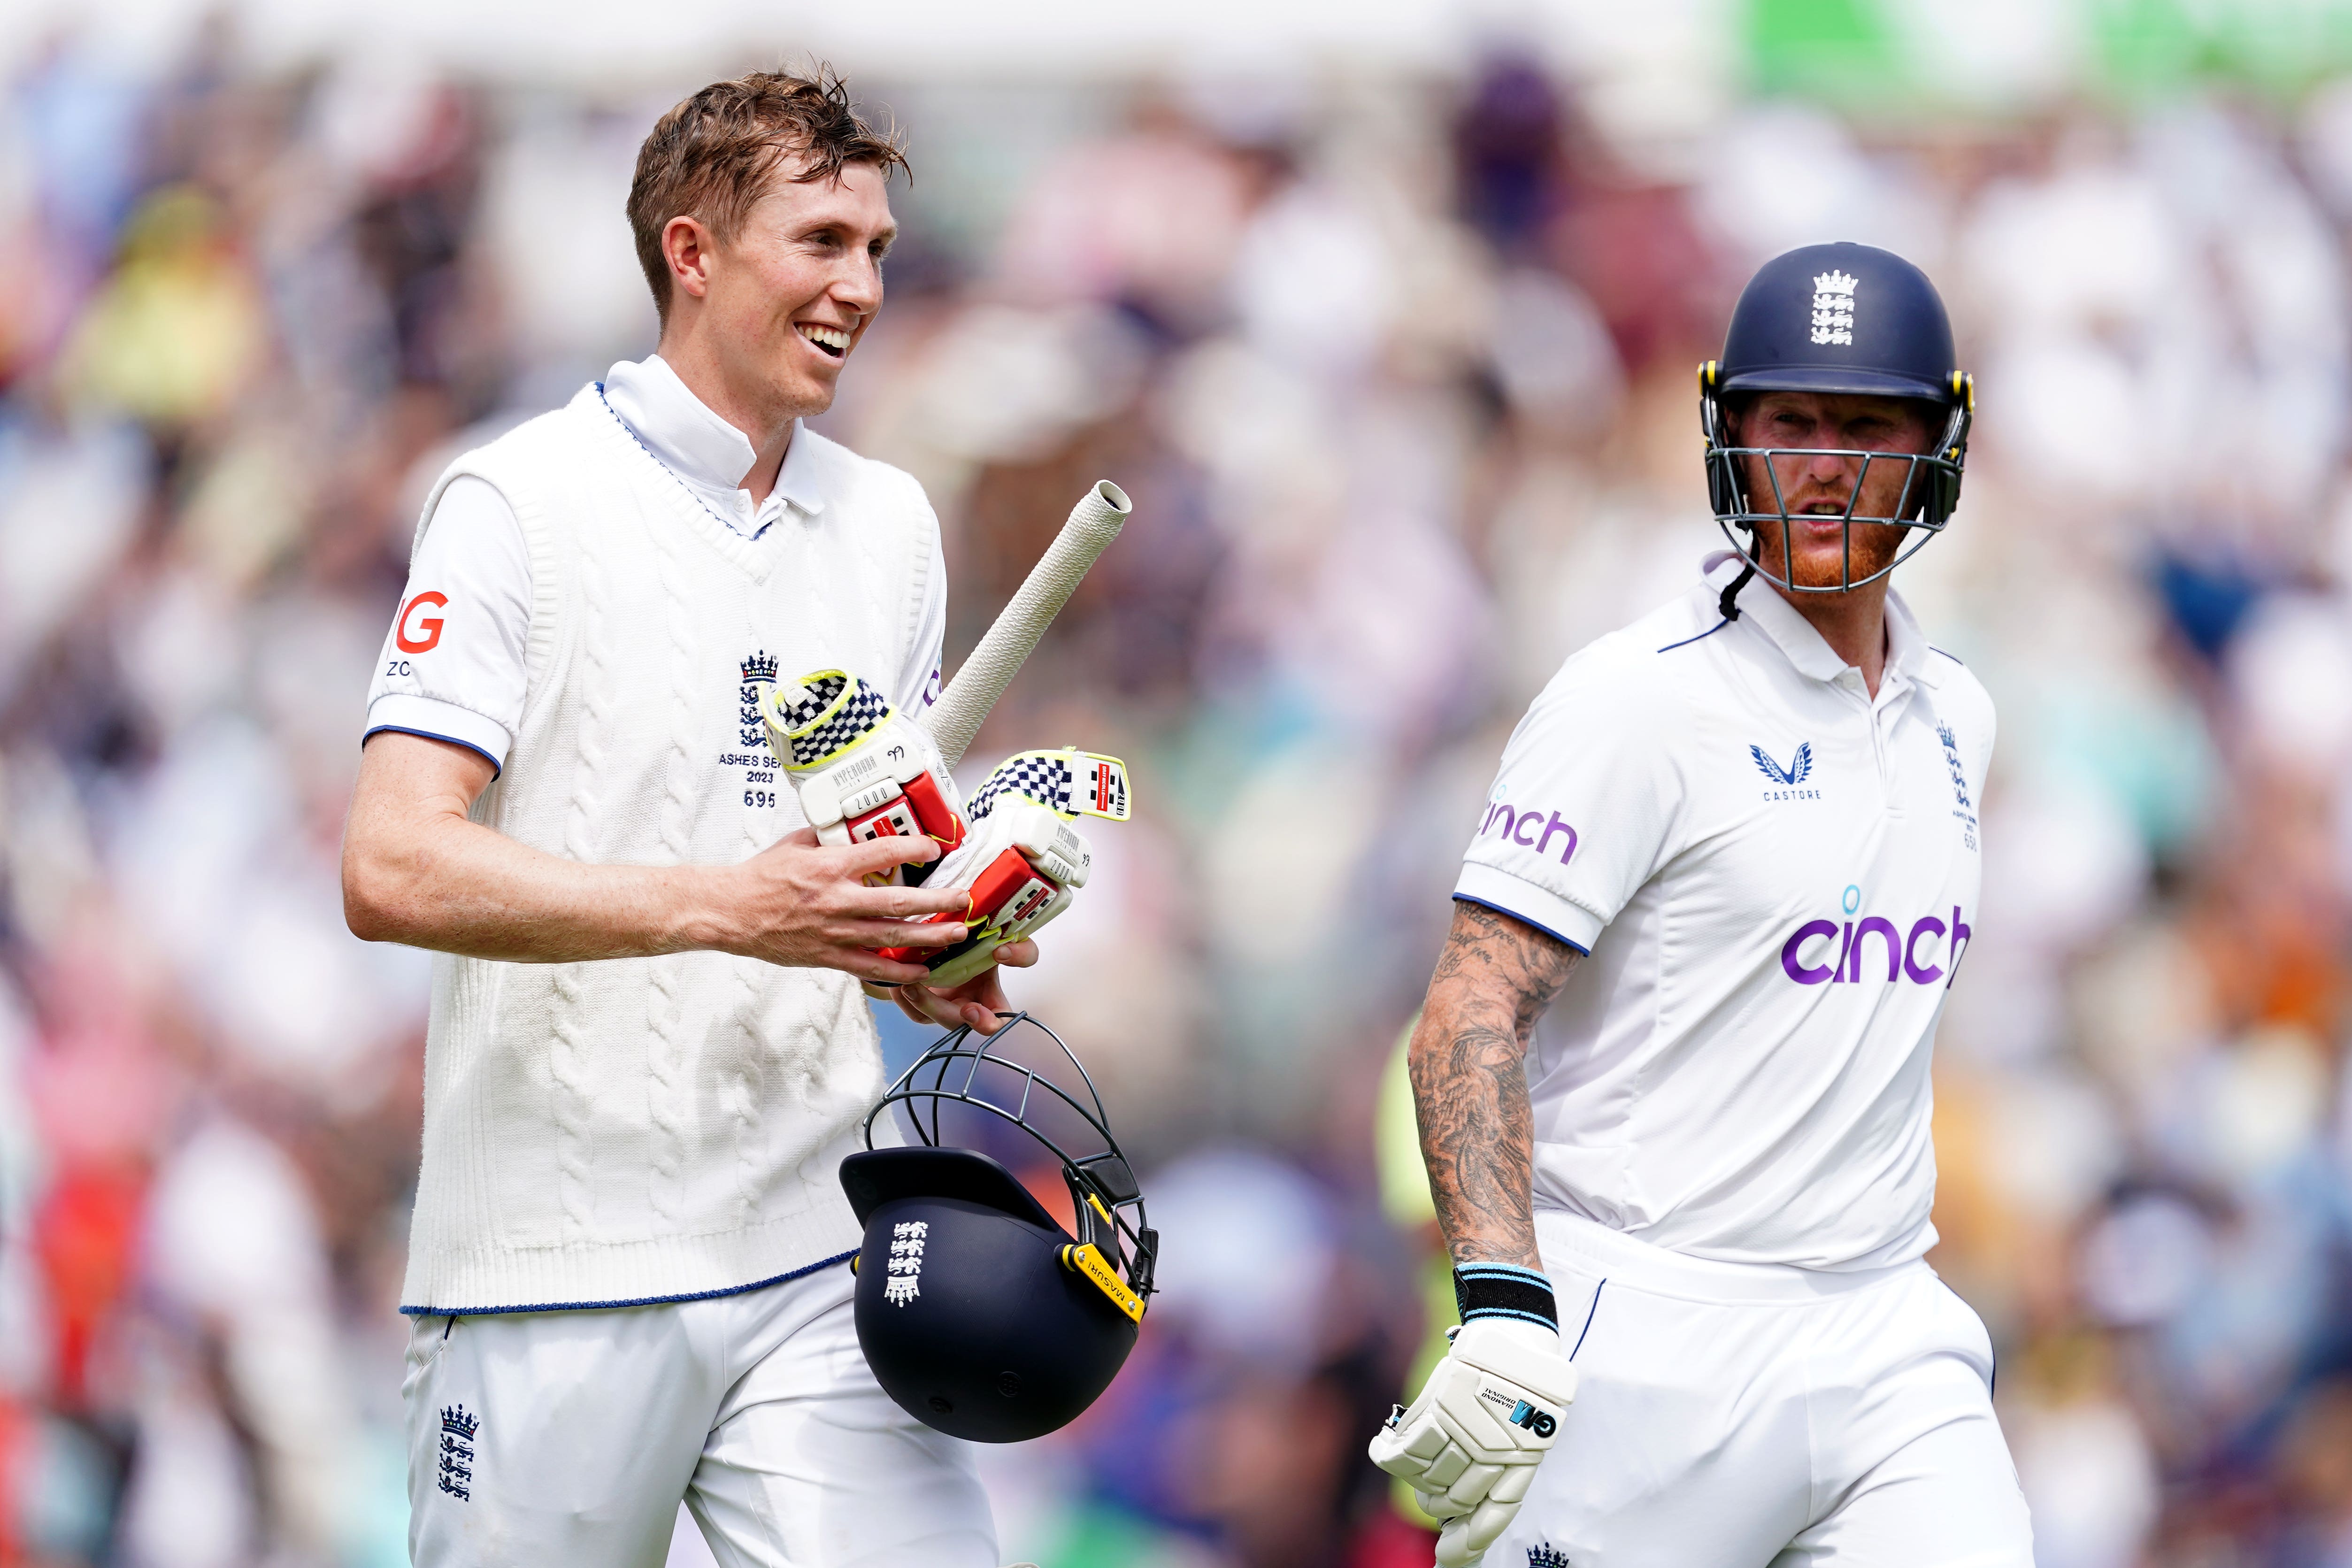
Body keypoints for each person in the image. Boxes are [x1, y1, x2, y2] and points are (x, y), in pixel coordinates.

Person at [341, 68, 1022, 1567]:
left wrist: (921, 938)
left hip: (806, 1246)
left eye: (878, 250)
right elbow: (389, 862)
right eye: (822, 241)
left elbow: (844, 858)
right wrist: (736, 908)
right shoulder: (514, 500)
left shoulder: (894, 525)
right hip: (553, 1263)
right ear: (692, 251)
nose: (861, 286)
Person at [1370, 243, 2033, 1567]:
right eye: (1788, 421)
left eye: (1866, 424)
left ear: (1938, 444)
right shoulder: (1636, 700)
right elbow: (1469, 1005)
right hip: (1642, 1341)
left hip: (1885, 1324)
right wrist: (1501, 1304)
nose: (1826, 460)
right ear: (1729, 435)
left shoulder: (1957, 708)